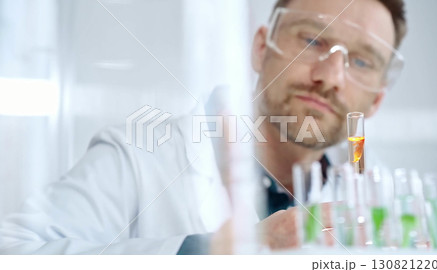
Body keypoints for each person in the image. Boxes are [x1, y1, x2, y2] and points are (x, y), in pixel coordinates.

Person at [0, 0, 406, 254]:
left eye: (362, 61)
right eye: (313, 40)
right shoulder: (142, 158)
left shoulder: (384, 195)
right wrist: (208, 255)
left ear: (376, 101)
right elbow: (14, 253)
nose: (331, 76)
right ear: (261, 48)